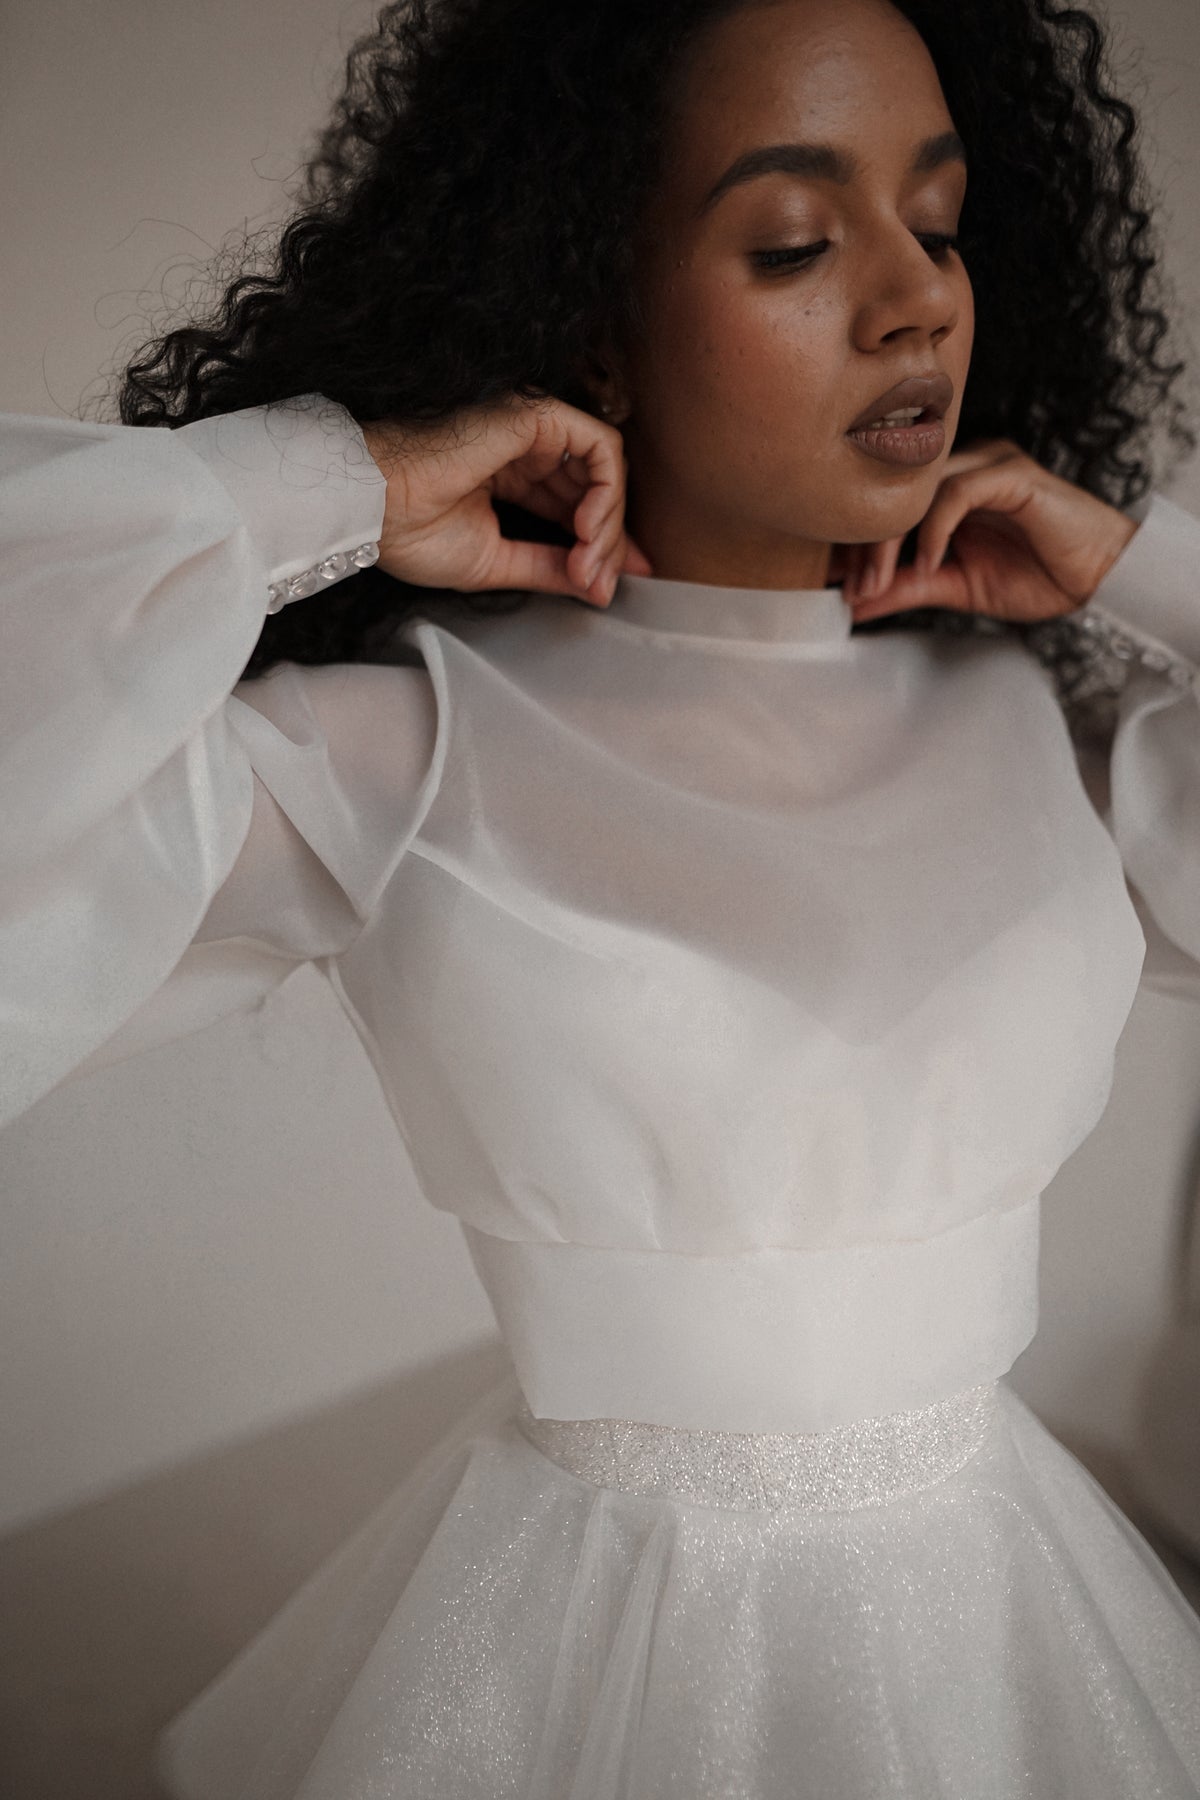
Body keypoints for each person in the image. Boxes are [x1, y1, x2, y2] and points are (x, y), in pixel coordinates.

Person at [5, 0, 1200, 1792]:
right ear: (592, 320)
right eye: (793, 242)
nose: (916, 300)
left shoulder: (1047, 735)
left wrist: (1141, 572)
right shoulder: (408, 749)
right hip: (587, 1649)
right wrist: (331, 485)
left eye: (940, 223)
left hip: (1001, 1622)